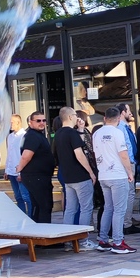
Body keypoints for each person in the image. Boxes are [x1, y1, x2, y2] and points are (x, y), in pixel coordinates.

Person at [92, 107, 137, 254]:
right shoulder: (117, 133)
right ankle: (118, 242)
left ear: (105, 118)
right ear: (118, 119)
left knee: (108, 208)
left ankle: (103, 240)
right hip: (117, 175)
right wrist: (129, 172)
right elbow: (123, 154)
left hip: (104, 175)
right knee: (119, 210)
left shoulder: (96, 133)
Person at [54, 106, 99, 248]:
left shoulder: (58, 134)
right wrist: (90, 172)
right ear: (69, 117)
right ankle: (83, 241)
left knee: (70, 209)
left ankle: (68, 241)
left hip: (68, 176)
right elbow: (79, 154)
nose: (76, 117)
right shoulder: (71, 133)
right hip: (80, 176)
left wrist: (80, 129)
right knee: (86, 208)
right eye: (74, 115)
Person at [17, 111, 55, 223]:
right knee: (44, 205)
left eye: (44, 120)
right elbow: (26, 156)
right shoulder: (32, 136)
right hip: (36, 177)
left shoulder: (37, 135)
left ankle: (39, 230)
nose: (42, 123)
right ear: (30, 122)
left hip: (40, 176)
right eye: (38, 120)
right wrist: (20, 169)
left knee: (39, 205)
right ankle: (43, 231)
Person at [116, 102, 140, 233]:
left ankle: (127, 219)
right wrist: (129, 165)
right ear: (122, 113)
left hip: (131, 162)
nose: (131, 113)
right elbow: (123, 148)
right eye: (128, 110)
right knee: (129, 193)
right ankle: (126, 224)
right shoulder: (120, 128)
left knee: (129, 193)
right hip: (126, 164)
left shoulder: (126, 127)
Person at [5, 113, 31, 216]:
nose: (10, 125)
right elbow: (9, 154)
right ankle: (22, 216)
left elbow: (24, 155)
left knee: (26, 196)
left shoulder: (24, 136)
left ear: (18, 122)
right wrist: (7, 169)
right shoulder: (10, 137)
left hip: (21, 170)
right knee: (18, 197)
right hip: (12, 171)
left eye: (11, 122)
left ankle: (30, 217)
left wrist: (21, 172)